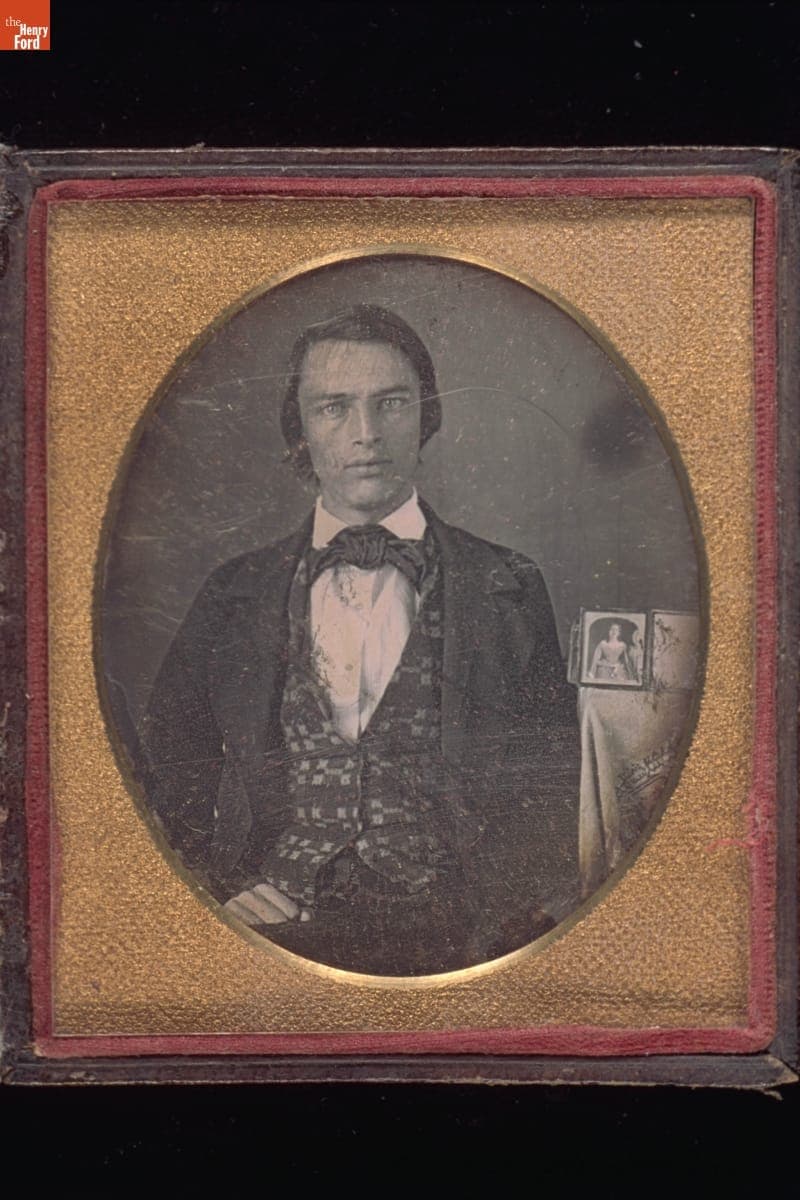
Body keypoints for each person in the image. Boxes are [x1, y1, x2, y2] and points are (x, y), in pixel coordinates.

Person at [139, 305, 581, 975]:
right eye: (334, 408)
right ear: (300, 432)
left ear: (426, 417)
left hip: (457, 943)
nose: (366, 433)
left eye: (391, 403)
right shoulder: (233, 593)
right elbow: (165, 771)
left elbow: (552, 786)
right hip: (273, 937)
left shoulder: (509, 586)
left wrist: (502, 928)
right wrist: (214, 892)